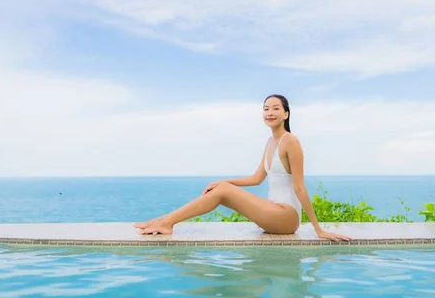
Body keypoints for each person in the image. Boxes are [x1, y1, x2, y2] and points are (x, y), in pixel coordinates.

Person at [133, 94, 351, 242]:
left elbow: (300, 188)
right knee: (222, 190)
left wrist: (318, 230)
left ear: (286, 114)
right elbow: (256, 178)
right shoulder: (270, 142)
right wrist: (223, 182)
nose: (270, 112)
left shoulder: (291, 141)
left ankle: (166, 223)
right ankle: (162, 221)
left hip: (287, 217)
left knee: (224, 191)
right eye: (266, 109)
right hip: (273, 212)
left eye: (276, 108)